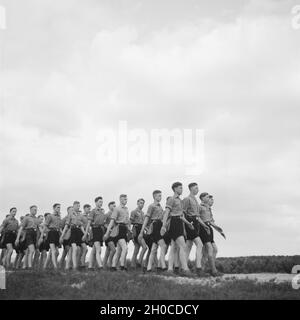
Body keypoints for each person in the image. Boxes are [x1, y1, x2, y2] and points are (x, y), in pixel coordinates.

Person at [161, 182, 194, 276]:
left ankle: (170, 270)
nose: (181, 189)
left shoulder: (180, 200)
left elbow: (181, 215)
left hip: (179, 222)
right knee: (183, 246)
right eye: (180, 188)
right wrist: (163, 226)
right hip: (173, 223)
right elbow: (167, 213)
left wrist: (188, 224)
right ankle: (185, 269)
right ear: (175, 189)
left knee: (174, 248)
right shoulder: (171, 199)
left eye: (182, 188)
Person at [183, 183, 210, 276]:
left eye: (198, 188)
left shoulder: (195, 200)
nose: (197, 189)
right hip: (190, 223)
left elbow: (198, 217)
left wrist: (204, 225)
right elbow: (183, 213)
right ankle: (198, 268)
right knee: (200, 244)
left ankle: (184, 268)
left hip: (196, 222)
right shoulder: (187, 199)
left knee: (188, 246)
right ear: (190, 189)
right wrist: (186, 225)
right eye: (195, 188)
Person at [139, 190, 167, 272]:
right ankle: (163, 266)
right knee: (163, 246)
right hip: (155, 226)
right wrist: (141, 231)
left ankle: (149, 268)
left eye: (161, 196)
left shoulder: (160, 206)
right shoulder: (151, 206)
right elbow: (147, 218)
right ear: (154, 196)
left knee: (154, 248)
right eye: (158, 196)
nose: (160, 197)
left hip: (159, 225)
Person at [104, 194, 131, 271]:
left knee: (119, 250)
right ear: (120, 200)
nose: (126, 200)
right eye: (124, 199)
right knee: (125, 248)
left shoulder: (126, 209)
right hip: (119, 229)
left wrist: (129, 230)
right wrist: (106, 233)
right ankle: (122, 266)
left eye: (126, 199)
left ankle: (113, 267)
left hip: (124, 229)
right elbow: (112, 221)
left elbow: (127, 221)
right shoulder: (117, 209)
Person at [199, 193, 223, 277]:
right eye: (207, 197)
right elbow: (197, 218)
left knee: (214, 249)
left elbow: (211, 221)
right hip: (203, 228)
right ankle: (213, 270)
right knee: (208, 249)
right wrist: (204, 226)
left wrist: (219, 230)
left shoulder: (209, 208)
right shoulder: (200, 207)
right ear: (202, 198)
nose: (209, 198)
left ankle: (206, 268)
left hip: (209, 227)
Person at [60, 202, 85, 270]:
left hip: (78, 232)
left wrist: (85, 233)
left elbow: (81, 225)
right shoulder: (70, 214)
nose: (78, 207)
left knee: (73, 250)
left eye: (79, 206)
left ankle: (67, 267)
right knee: (74, 249)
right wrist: (62, 236)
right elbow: (66, 225)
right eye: (77, 206)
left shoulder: (80, 215)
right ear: (73, 206)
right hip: (72, 232)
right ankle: (74, 267)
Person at [83, 198, 106, 270]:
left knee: (94, 250)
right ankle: (100, 266)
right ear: (95, 202)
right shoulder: (92, 212)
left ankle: (90, 266)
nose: (101, 203)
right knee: (98, 249)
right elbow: (88, 224)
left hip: (100, 230)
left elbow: (103, 224)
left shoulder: (102, 212)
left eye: (102, 202)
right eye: (99, 202)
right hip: (94, 230)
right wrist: (85, 234)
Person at [40, 204, 62, 270]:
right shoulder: (50, 216)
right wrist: (41, 236)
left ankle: (44, 267)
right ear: (54, 208)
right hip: (51, 233)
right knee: (53, 251)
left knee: (51, 253)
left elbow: (60, 227)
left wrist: (61, 235)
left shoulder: (59, 217)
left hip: (57, 234)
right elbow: (45, 226)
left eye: (60, 208)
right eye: (58, 207)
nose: (59, 209)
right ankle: (55, 267)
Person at [130, 199, 147, 269]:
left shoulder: (143, 213)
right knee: (144, 247)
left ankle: (132, 265)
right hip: (136, 229)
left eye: (143, 203)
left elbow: (143, 224)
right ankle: (139, 262)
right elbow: (130, 222)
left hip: (141, 229)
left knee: (137, 248)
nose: (142, 205)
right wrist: (131, 233)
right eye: (140, 203)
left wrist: (147, 230)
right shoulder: (133, 212)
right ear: (137, 203)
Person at [102, 201, 116, 269]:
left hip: (114, 235)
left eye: (115, 206)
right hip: (108, 235)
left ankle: (104, 266)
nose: (114, 207)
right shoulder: (107, 214)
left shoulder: (115, 214)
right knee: (113, 250)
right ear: (109, 206)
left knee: (107, 251)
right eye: (113, 205)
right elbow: (104, 224)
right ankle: (110, 264)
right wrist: (109, 229)